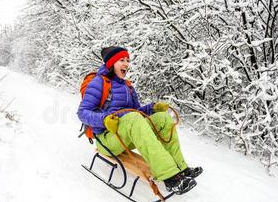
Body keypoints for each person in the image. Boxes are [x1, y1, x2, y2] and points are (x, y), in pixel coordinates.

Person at [77, 46, 202, 194]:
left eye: (127, 60)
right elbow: (82, 112)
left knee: (163, 118)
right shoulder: (99, 83)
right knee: (133, 119)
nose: (126, 64)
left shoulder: (128, 86)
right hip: (107, 139)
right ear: (111, 63)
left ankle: (181, 168)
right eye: (121, 60)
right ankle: (170, 178)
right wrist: (105, 120)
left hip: (126, 135)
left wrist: (152, 108)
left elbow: (137, 113)